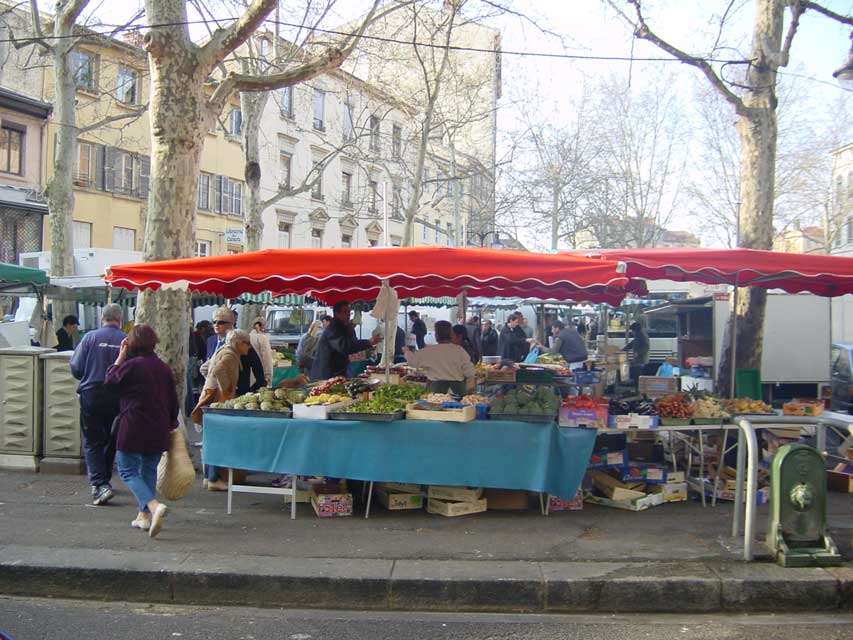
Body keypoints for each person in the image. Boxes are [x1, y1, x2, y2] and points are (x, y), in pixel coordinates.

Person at [103, 324, 178, 538]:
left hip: (134, 424)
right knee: (148, 470)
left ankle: (154, 507)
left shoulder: (132, 366)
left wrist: (120, 355)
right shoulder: (164, 368)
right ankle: (143, 517)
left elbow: (109, 382)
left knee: (127, 470)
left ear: (132, 343)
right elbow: (173, 400)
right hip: (159, 426)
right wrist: (172, 423)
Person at [70, 303, 126, 506]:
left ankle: (99, 485)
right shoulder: (125, 341)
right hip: (117, 397)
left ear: (103, 318)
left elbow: (76, 368)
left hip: (91, 394)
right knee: (111, 439)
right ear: (120, 320)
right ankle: (104, 481)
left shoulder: (89, 338)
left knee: (93, 440)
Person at [194, 329, 251, 491]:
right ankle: (213, 478)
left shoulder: (222, 349)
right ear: (238, 343)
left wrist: (210, 384)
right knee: (217, 439)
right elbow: (218, 369)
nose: (249, 347)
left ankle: (208, 477)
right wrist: (226, 389)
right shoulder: (231, 355)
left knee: (210, 438)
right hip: (218, 403)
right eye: (247, 344)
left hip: (209, 398)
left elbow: (205, 369)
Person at [310, 301, 380, 381]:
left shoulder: (343, 326)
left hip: (336, 371)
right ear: (337, 314)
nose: (349, 314)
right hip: (326, 374)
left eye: (349, 311)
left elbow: (353, 343)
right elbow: (345, 347)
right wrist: (368, 342)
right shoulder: (334, 329)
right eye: (345, 311)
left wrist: (350, 329)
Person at [403, 320, 475, 396]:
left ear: (436, 335)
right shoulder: (459, 350)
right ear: (451, 334)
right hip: (457, 390)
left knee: (434, 407)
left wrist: (406, 351)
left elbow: (413, 362)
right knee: (457, 407)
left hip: (435, 390)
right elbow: (470, 371)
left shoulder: (429, 351)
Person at [250, 316, 274, 388]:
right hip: (260, 375)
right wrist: (268, 378)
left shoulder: (247, 336)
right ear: (262, 326)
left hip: (248, 375)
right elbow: (267, 359)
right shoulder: (262, 338)